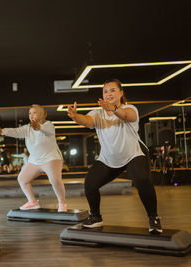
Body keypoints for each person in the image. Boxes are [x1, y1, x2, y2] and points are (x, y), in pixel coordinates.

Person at [67, 78, 162, 233]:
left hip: (133, 155)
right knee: (90, 184)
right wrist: (74, 116)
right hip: (108, 159)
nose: (108, 93)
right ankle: (96, 217)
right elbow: (87, 121)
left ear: (121, 93)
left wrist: (113, 108)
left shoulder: (130, 108)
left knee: (142, 180)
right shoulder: (98, 113)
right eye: (105, 91)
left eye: (112, 90)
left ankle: (154, 218)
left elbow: (126, 116)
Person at [0, 104, 67, 211]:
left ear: (41, 114)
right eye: (30, 113)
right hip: (34, 161)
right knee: (22, 179)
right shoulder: (27, 128)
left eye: (34, 112)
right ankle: (32, 202)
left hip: (51, 159)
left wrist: (38, 127)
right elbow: (16, 131)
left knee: (55, 180)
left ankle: (62, 203)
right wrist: (1, 131)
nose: (31, 115)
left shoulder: (48, 124)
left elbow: (45, 130)